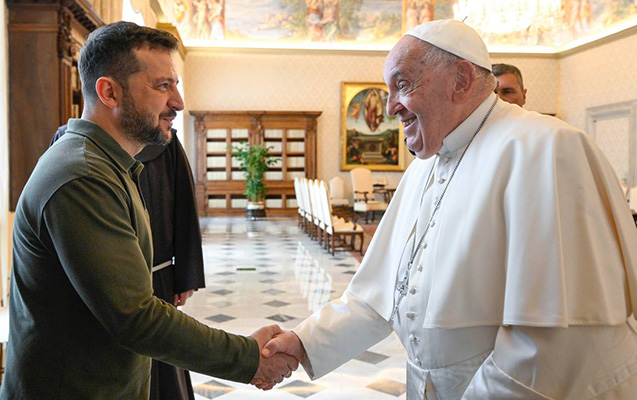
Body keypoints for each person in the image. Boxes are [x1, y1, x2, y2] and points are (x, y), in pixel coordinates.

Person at [259, 20, 637, 399]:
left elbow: (550, 344)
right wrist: (303, 342)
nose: (391, 107)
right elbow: (380, 294)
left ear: (460, 80)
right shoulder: (425, 164)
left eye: (402, 85)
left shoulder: (544, 149)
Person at [1, 21, 296, 399]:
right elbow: (136, 317)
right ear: (109, 92)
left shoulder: (107, 165)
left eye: (176, 85)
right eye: (162, 86)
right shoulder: (83, 177)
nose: (178, 102)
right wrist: (247, 356)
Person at [50, 126, 205, 400]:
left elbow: (183, 206)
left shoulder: (165, 143)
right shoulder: (68, 146)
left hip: (158, 275)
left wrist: (185, 275)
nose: (175, 102)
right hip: (99, 278)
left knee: (160, 353)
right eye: (161, 86)